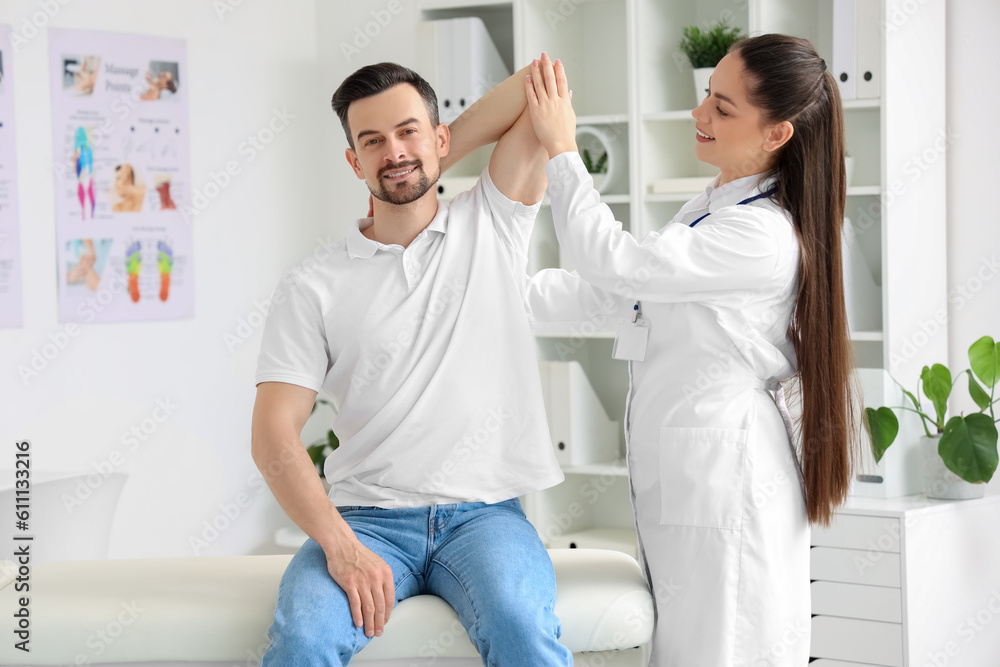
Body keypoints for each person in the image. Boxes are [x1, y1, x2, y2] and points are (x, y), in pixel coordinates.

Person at [522, 35, 859, 665]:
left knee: (718, 649)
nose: (699, 115)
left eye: (723, 109)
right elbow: (624, 296)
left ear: (777, 134)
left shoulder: (760, 234)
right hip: (693, 474)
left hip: (725, 480)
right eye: (706, 95)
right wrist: (493, 295)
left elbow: (616, 264)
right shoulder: (713, 207)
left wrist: (563, 153)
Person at [252, 56, 573, 666]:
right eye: (371, 142)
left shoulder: (493, 222)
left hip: (485, 520)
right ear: (352, 162)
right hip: (364, 520)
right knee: (302, 641)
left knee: (521, 626)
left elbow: (541, 87)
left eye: (408, 130)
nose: (392, 150)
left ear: (441, 135)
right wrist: (340, 546)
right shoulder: (312, 283)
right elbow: (272, 436)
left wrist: (419, 164)